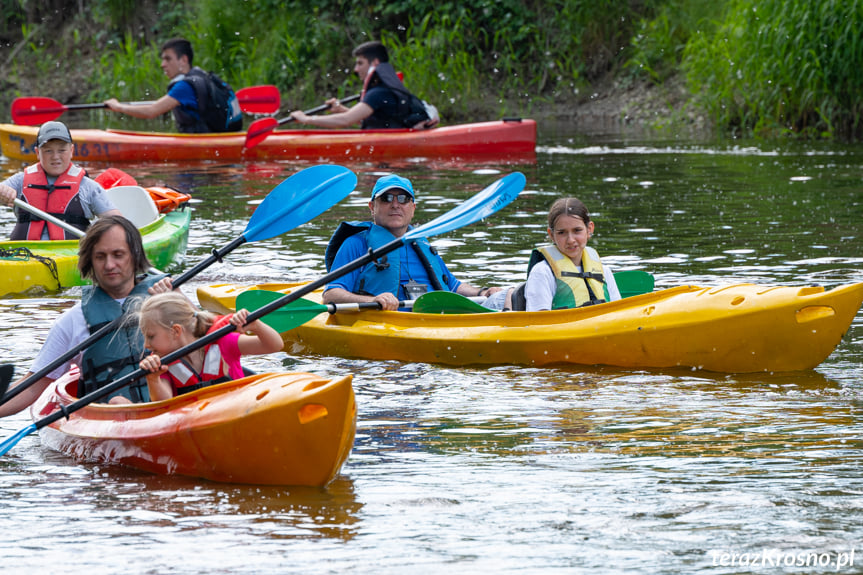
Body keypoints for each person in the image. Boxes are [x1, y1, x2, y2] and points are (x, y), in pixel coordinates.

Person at [0, 215, 174, 417]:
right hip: (112, 416)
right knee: (118, 402)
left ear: (135, 256)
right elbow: (31, 387)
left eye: (118, 255)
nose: (109, 265)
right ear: (89, 261)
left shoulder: (167, 297)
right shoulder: (72, 321)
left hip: (170, 403)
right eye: (100, 257)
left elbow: (205, 346)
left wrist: (172, 303)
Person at [323, 174, 500, 311]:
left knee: (507, 297)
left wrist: (482, 292)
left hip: (435, 317)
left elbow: (452, 286)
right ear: (372, 207)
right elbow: (331, 294)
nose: (395, 205)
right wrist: (372, 300)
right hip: (388, 322)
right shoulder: (355, 244)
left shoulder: (422, 243)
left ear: (413, 208)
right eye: (386, 198)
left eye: (403, 199)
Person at [137, 292, 283, 401]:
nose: (146, 345)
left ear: (176, 331)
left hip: (238, 412)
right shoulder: (162, 364)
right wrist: (152, 379)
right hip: (194, 426)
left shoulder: (224, 342)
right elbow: (163, 402)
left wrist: (256, 326)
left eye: (151, 336)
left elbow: (274, 346)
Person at [486, 197, 621, 311]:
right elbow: (539, 323)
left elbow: (618, 313)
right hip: (498, 305)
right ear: (551, 235)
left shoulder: (604, 271)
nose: (570, 240)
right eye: (561, 232)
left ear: (589, 229)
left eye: (577, 230)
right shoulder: (542, 272)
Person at [0, 121, 122, 240]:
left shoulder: (89, 187)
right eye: (48, 151)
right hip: (22, 255)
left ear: (71, 151)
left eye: (62, 150)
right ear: (37, 152)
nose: (55, 157)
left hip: (71, 254)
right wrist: (3, 192)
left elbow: (117, 223)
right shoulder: (18, 181)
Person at [289, 41, 438, 130]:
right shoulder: (387, 89)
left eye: (360, 63)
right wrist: (341, 109)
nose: (356, 69)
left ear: (375, 63)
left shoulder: (378, 93)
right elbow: (375, 122)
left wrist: (306, 119)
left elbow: (345, 120)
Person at [104, 38, 241, 133]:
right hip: (215, 136)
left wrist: (118, 107)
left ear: (184, 60)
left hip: (206, 144)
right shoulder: (201, 76)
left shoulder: (184, 87)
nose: (163, 64)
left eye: (167, 59)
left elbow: (152, 111)